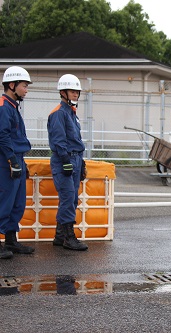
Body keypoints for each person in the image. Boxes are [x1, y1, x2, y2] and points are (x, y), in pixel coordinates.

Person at [47, 74, 88, 251]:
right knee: (68, 198)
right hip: (65, 159)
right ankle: (68, 237)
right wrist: (65, 161)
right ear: (63, 92)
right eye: (72, 91)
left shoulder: (71, 113)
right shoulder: (59, 113)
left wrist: (81, 162)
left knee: (71, 199)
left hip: (75, 158)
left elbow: (74, 139)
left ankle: (60, 235)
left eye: (77, 92)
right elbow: (58, 140)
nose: (76, 95)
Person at [0, 66, 35, 259]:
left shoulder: (13, 106)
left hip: (16, 159)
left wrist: (21, 162)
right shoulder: (4, 107)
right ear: (12, 85)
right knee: (4, 202)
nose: (26, 89)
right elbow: (3, 137)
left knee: (17, 202)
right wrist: (13, 160)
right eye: (24, 85)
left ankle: (11, 240)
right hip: (6, 161)